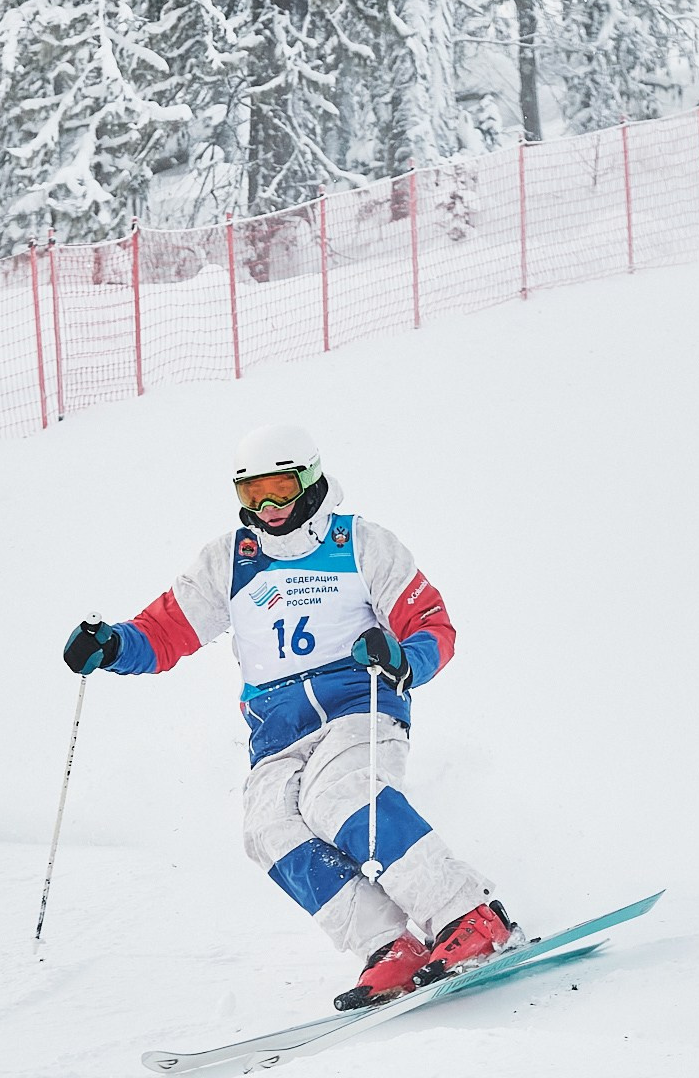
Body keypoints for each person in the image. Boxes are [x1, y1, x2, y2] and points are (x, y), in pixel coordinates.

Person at [61, 424, 517, 1010]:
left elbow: (432, 624)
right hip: (277, 731)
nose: (270, 508)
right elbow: (166, 630)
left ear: (310, 481)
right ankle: (388, 946)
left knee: (342, 796)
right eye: (253, 495)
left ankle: (469, 916)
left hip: (357, 706)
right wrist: (115, 647)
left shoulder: (362, 545)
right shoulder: (230, 560)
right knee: (268, 831)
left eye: (280, 489)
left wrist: (404, 658)